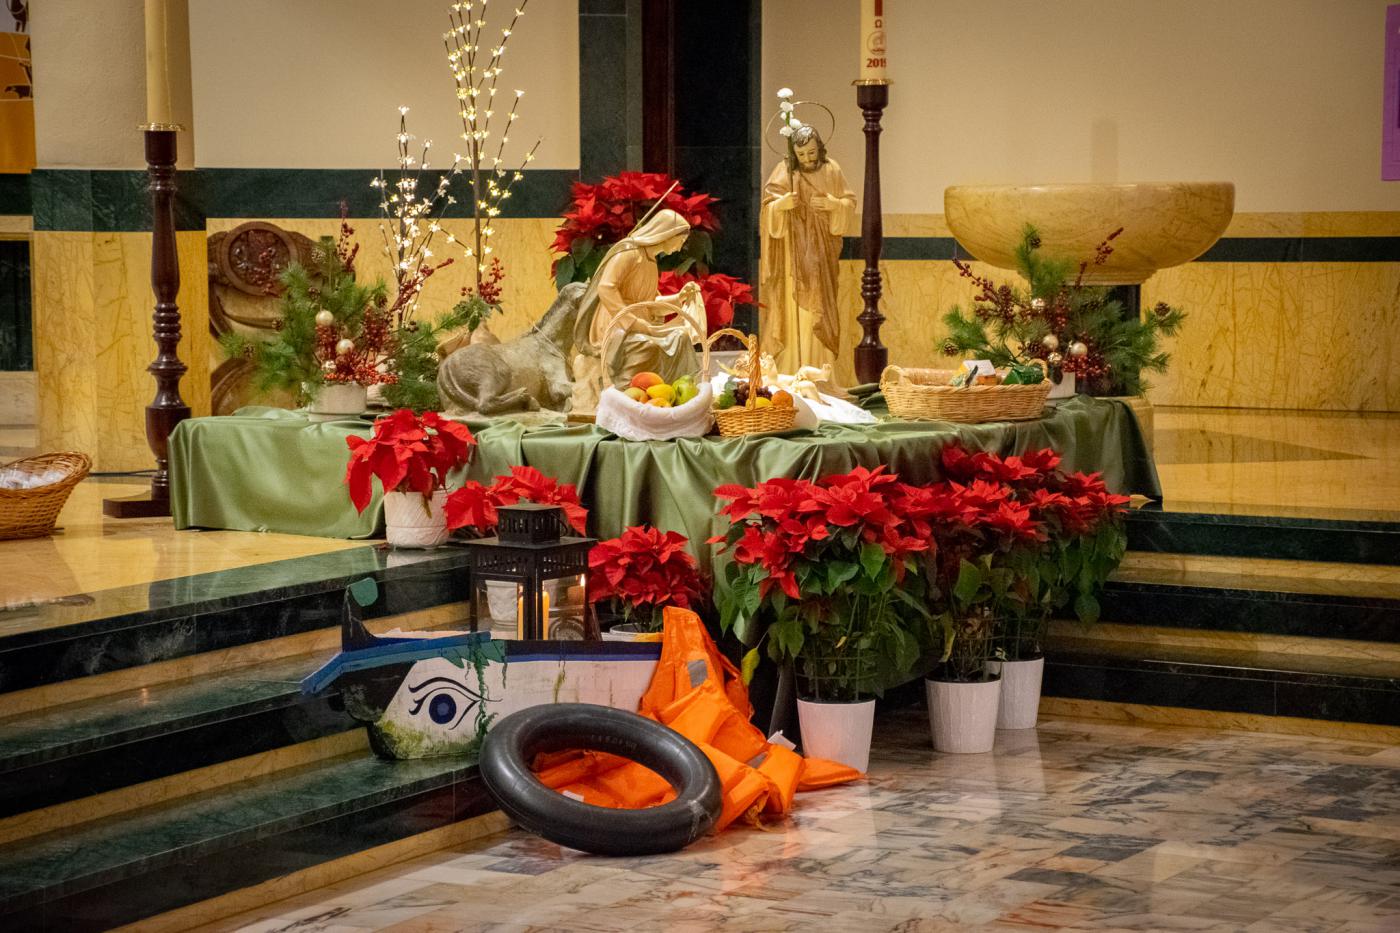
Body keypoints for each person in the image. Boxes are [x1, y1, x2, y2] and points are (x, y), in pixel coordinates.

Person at [570, 208, 704, 414]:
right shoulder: (629, 253)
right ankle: (626, 395)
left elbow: (647, 302)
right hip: (615, 322)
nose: (679, 248)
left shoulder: (650, 260)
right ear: (666, 234)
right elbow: (606, 287)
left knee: (682, 338)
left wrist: (678, 298)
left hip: (639, 320)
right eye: (679, 242)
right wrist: (630, 320)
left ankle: (676, 397)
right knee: (647, 346)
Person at [759, 124, 856, 374]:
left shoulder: (831, 169)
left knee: (820, 309)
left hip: (822, 255)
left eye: (812, 153)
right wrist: (781, 205)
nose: (807, 159)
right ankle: (791, 370)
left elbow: (849, 202)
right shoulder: (785, 171)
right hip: (793, 257)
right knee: (795, 313)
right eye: (801, 155)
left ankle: (820, 372)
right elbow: (768, 207)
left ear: (820, 148)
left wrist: (832, 204)